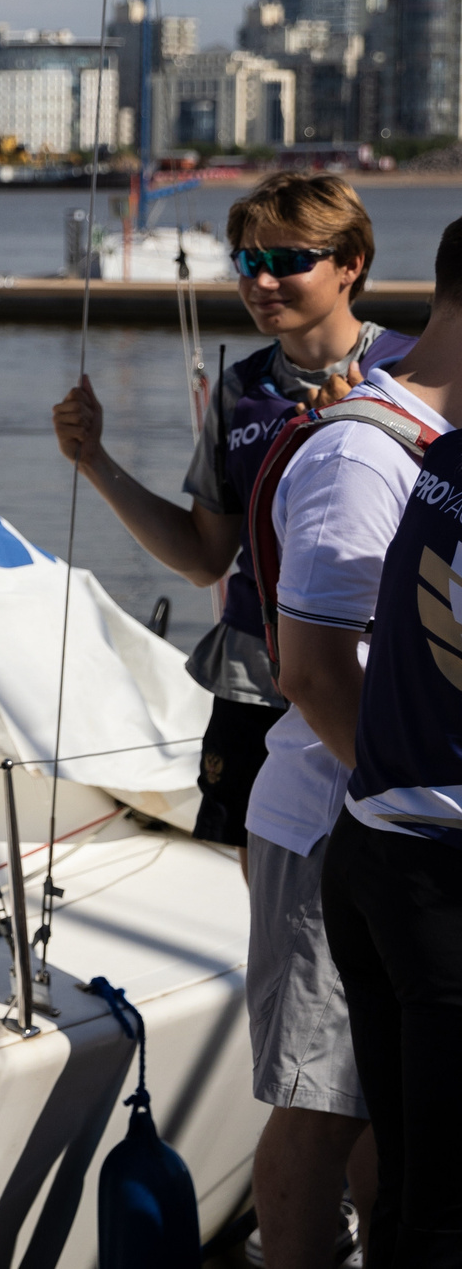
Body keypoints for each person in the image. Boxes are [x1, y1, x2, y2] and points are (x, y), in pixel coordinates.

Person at [51, 174, 398, 1264]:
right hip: (260, 712)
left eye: (286, 259)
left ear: (349, 264)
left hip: (392, 708)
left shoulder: (411, 379)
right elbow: (206, 556)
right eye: (244, 261)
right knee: (315, 990)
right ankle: (318, 1224)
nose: (258, 282)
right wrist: (94, 462)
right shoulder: (240, 389)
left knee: (386, 996)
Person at [316, 228, 462, 1268]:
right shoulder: (400, 445)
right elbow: (310, 665)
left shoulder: (443, 454)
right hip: (435, 871)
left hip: (376, 848)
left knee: (414, 1184)